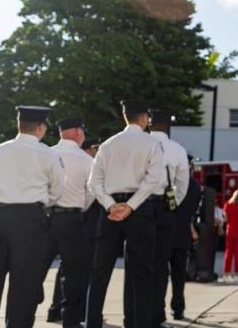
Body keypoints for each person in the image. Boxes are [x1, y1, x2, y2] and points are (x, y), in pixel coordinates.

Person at [0, 106, 65, 328]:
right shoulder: (49, 154)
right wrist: (38, 205)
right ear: (40, 127)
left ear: (19, 124)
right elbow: (57, 190)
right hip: (30, 220)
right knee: (24, 284)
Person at [85, 100, 164, 328]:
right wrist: (131, 206)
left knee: (100, 271)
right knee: (141, 273)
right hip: (139, 212)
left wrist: (111, 205)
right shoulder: (151, 143)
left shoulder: (108, 145)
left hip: (110, 213)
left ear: (124, 116)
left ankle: (92, 323)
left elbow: (94, 183)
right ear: (145, 118)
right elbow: (153, 180)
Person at [136, 108, 190, 327]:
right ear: (169, 127)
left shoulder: (140, 144)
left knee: (139, 263)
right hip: (164, 208)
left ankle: (137, 313)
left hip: (140, 206)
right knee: (160, 265)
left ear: (149, 124)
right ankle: (156, 314)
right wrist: (172, 203)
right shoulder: (177, 149)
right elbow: (183, 185)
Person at [42, 117, 93, 328]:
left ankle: (24, 314)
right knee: (73, 272)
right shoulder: (87, 160)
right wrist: (80, 208)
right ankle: (70, 321)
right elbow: (92, 193)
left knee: (35, 269)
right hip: (73, 219)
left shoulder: (46, 153)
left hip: (45, 219)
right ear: (77, 132)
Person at [170, 163, 203, 320]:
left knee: (161, 275)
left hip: (166, 233)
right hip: (183, 235)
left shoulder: (171, 182)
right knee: (179, 275)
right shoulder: (195, 186)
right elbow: (194, 210)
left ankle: (158, 310)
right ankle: (178, 309)